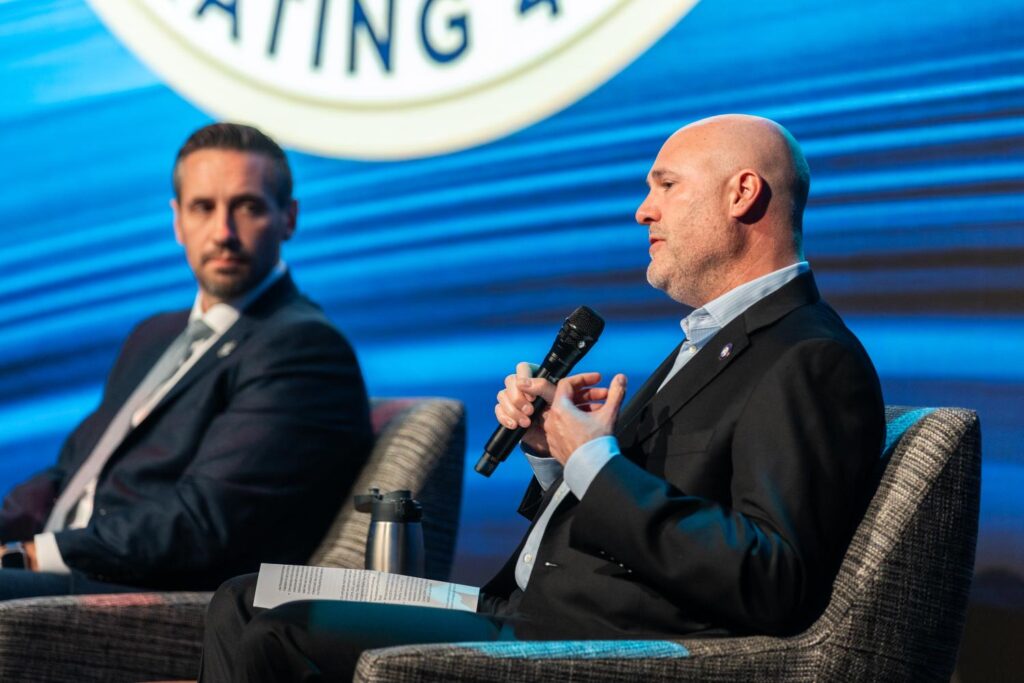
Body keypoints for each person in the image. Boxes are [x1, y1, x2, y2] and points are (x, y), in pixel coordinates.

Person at [198, 114, 885, 681]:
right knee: (243, 599)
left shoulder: (808, 356)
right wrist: (554, 452)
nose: (643, 209)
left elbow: (772, 576)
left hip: (586, 646)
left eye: (667, 185)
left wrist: (594, 462)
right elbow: (636, 509)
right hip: (523, 608)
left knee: (281, 632)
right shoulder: (713, 341)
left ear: (742, 194)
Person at [0, 122, 373, 598]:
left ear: (288, 218)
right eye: (203, 207)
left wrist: (30, 555)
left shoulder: (303, 347)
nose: (223, 233)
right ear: (178, 221)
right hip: (66, 567)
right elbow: (70, 473)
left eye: (248, 207)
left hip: (141, 595)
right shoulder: (154, 334)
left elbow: (202, 522)